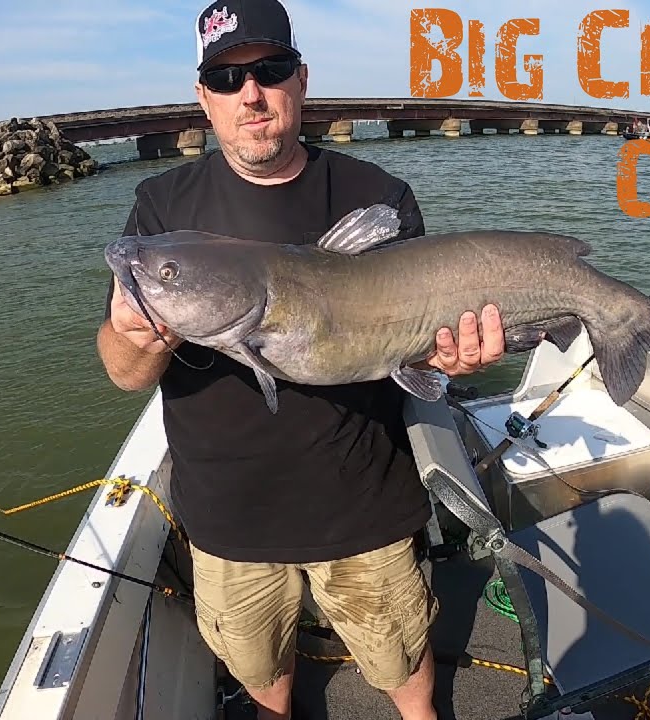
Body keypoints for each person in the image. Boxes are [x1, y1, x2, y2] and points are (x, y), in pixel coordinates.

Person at [96, 2, 505, 718]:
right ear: (203, 99)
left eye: (270, 69)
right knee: (261, 675)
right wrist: (138, 336)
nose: (250, 94)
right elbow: (124, 372)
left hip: (365, 504)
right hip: (227, 519)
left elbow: (423, 353)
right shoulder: (161, 211)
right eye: (227, 79)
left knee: (403, 664)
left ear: (302, 79)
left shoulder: (377, 196)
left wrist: (453, 357)